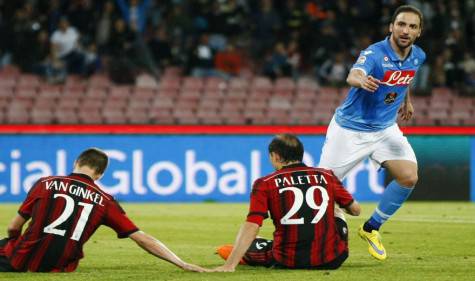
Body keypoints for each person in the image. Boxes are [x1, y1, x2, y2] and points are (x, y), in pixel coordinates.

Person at [318, 5, 426, 261]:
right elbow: (354, 74)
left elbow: (406, 76)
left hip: (385, 129)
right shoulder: (375, 53)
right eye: (401, 24)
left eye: (412, 26)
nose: (405, 30)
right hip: (350, 130)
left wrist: (405, 100)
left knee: (409, 177)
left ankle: (371, 228)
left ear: (419, 32)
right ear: (391, 26)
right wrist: (360, 80)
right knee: (321, 189)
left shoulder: (418, 55)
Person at [0, 148, 207, 273]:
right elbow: (142, 238)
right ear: (99, 175)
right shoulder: (106, 201)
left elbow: (13, 227)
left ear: (76, 163)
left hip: (20, 258)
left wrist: (16, 245)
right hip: (60, 265)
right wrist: (181, 263)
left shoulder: (44, 183)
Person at [214, 134, 361, 272]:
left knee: (249, 245)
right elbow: (356, 210)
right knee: (336, 210)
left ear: (276, 156)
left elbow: (252, 225)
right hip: (332, 259)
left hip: (287, 260)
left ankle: (259, 247)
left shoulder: (265, 183)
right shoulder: (327, 175)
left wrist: (229, 265)